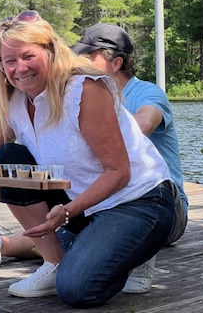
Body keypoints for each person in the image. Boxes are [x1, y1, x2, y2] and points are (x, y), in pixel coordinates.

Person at [0, 11, 176, 307]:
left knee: (77, 289)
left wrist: (68, 212)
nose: (20, 68)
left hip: (140, 200)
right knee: (7, 157)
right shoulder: (14, 99)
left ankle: (135, 252)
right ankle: (54, 261)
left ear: (50, 51)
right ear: (1, 66)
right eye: (10, 61)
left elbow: (119, 172)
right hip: (83, 202)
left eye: (28, 56)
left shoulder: (85, 88)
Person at [71, 22, 188, 293]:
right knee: (55, 236)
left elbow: (144, 123)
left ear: (116, 63)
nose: (80, 61)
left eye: (89, 56)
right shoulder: (82, 95)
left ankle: (141, 256)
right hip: (109, 200)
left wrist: (97, 136)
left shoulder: (147, 92)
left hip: (166, 206)